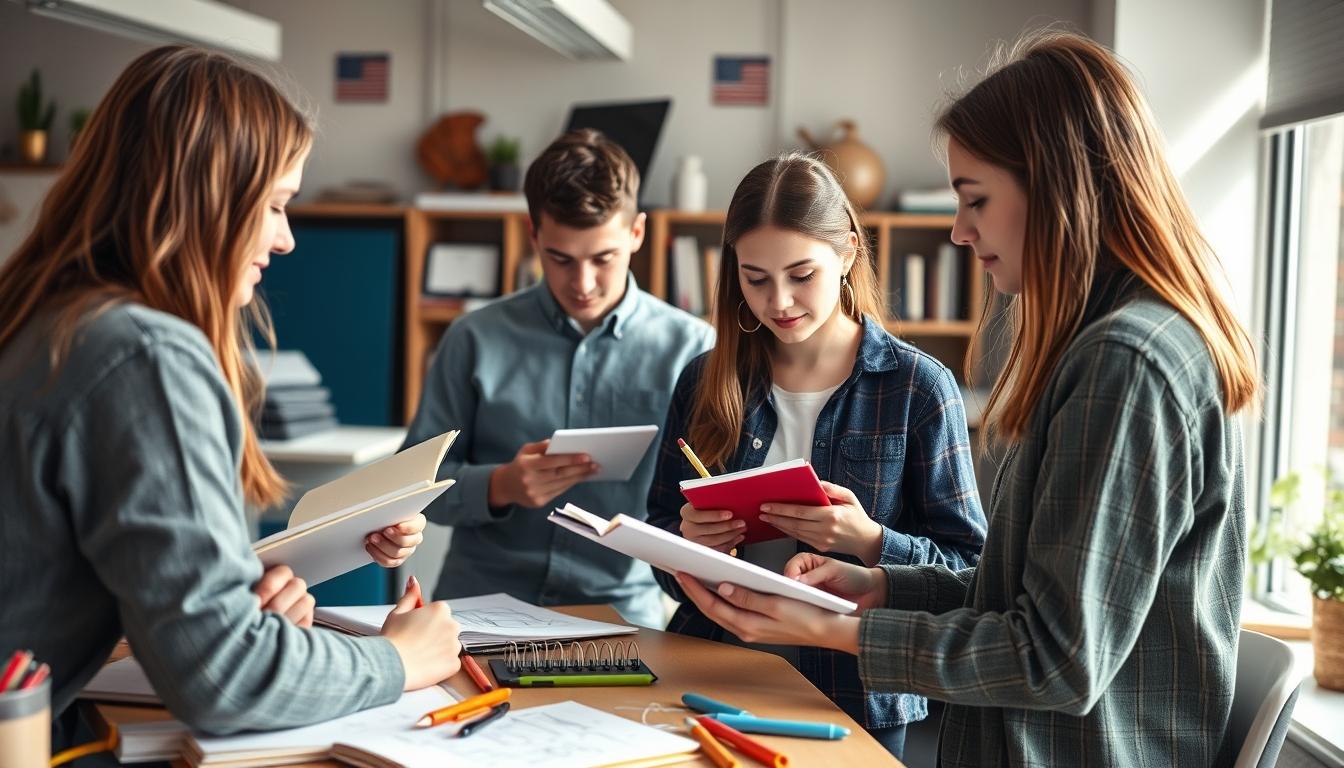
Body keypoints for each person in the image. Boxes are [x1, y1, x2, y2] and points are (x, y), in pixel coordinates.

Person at [671, 30, 1259, 767]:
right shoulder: (1120, 346)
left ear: (1058, 188)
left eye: (976, 199)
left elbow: (1053, 659)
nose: (958, 230)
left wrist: (832, 628)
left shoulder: (1124, 363)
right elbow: (1016, 597)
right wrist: (880, 586)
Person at [0, 46, 462, 741]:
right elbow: (222, 681)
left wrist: (225, 597)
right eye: (274, 205)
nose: (287, 240)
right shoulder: (143, 356)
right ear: (205, 199)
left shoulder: (48, 318)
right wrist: (400, 659)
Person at [646, 153, 987, 758]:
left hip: (855, 696)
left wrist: (871, 541)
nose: (779, 301)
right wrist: (687, 544)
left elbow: (973, 574)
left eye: (801, 274)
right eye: (755, 278)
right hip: (711, 677)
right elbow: (660, 550)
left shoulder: (918, 388)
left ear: (848, 252)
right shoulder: (704, 379)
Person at [403, 129, 714, 628]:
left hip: (620, 611)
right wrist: (499, 485)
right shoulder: (473, 337)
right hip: (479, 603)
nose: (583, 284)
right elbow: (412, 488)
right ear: (533, 235)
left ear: (637, 233)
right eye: (560, 258)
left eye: (603, 258)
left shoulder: (692, 348)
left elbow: (708, 494)